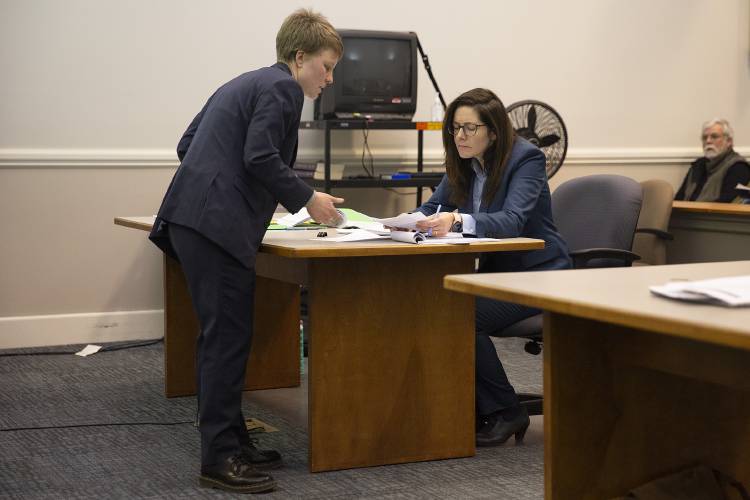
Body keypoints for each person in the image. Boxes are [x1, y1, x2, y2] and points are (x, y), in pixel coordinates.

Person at [148, 9, 344, 494]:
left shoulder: (243, 82)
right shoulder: (282, 89)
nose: (329, 78)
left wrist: (230, 189)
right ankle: (218, 459)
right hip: (216, 228)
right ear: (300, 58)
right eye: (326, 66)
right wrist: (307, 199)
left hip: (193, 220)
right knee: (227, 339)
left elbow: (186, 144)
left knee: (222, 334)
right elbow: (259, 156)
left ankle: (233, 439)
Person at [413, 88, 571, 447]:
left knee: (459, 314)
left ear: (494, 131)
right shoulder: (466, 160)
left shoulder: (525, 159)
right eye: (455, 128)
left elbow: (513, 220)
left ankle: (505, 410)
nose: (460, 137)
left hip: (540, 275)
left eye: (470, 128)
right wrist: (401, 222)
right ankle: (471, 407)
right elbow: (433, 206)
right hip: (500, 274)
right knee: (433, 304)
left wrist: (456, 220)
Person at [675, 119, 750, 202]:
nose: (708, 141)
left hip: (712, 215)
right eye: (704, 137)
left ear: (729, 141)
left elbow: (727, 204)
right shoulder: (698, 165)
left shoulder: (738, 167)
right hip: (686, 213)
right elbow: (679, 198)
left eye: (714, 137)